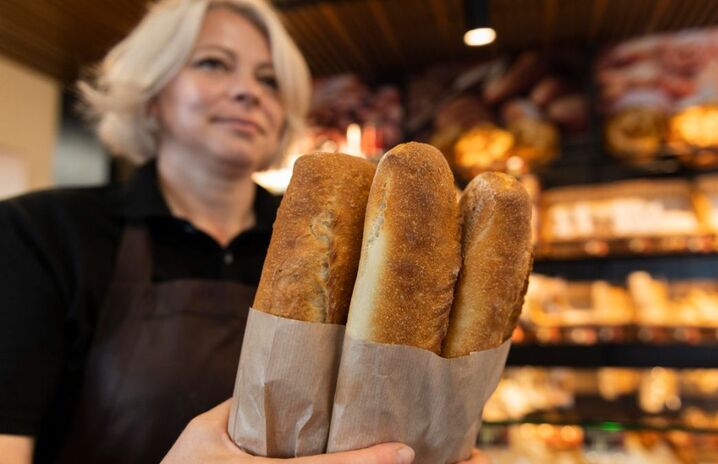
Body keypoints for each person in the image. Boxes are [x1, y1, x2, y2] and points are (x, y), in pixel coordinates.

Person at [0, 1, 489, 463]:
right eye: (213, 64)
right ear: (151, 94)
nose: (248, 91)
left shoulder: (348, 245)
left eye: (269, 79)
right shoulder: (42, 233)